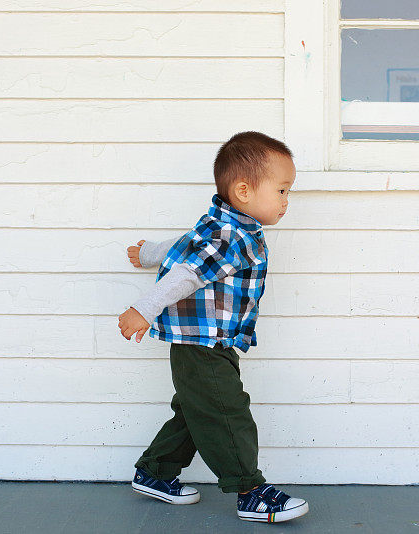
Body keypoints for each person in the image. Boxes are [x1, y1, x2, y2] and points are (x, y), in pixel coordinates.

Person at [116, 131, 308, 523]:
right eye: (282, 190)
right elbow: (187, 271)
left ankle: (155, 473)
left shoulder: (221, 226)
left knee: (197, 409)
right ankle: (250, 491)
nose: (287, 201)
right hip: (202, 342)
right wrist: (143, 308)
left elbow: (184, 245)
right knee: (225, 410)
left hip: (204, 341)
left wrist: (149, 252)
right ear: (243, 190)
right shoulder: (232, 237)